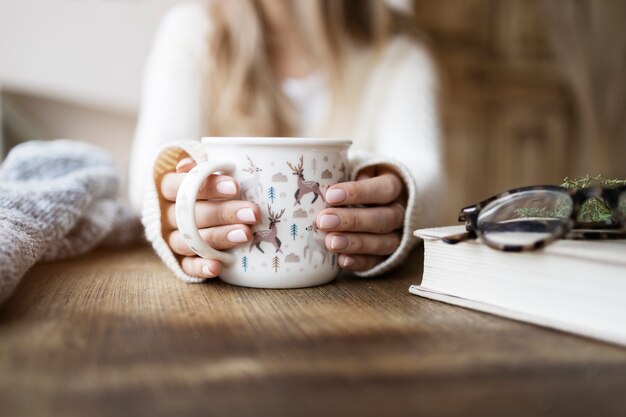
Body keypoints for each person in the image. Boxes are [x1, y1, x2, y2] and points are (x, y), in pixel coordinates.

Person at [130, 0, 442, 282]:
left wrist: (399, 194)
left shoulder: (396, 49)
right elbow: (149, 178)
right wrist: (172, 205)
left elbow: (425, 172)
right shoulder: (193, 32)